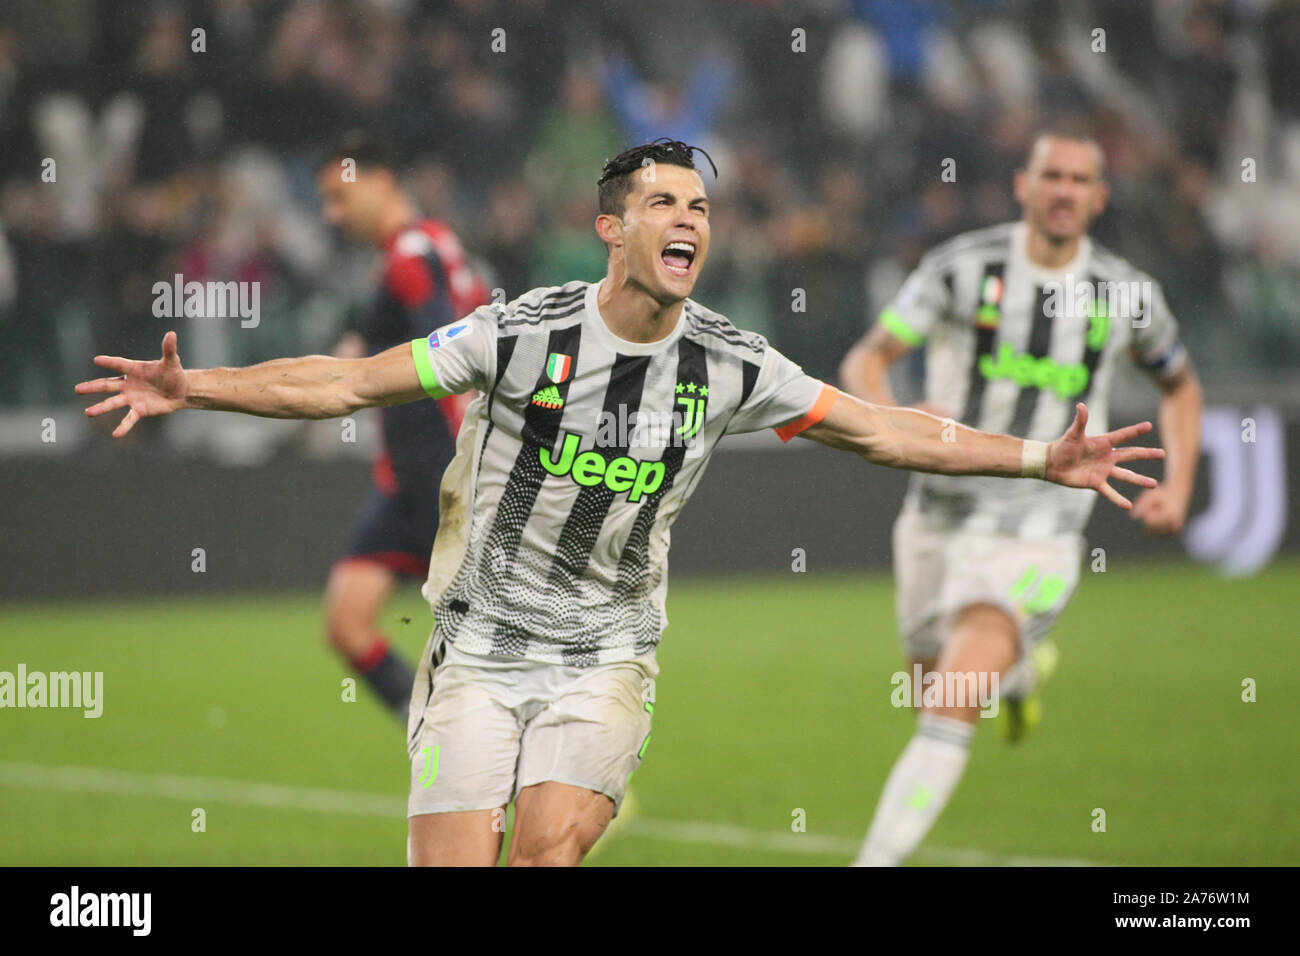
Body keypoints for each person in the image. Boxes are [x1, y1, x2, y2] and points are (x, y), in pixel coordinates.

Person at [76, 139, 1164, 867]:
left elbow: (884, 428)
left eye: (699, 205)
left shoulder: (733, 364)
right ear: (612, 227)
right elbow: (343, 381)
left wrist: (1036, 456)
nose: (687, 218)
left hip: (605, 654)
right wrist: (194, 385)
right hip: (477, 642)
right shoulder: (520, 331)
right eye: (661, 202)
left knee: (546, 847)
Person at [838, 131, 1202, 867]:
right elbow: (869, 357)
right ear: (1022, 186)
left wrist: (1180, 489)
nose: (1064, 190)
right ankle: (1024, 673)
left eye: (1080, 179)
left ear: (1100, 197)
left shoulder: (1126, 293)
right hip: (937, 511)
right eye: (1051, 176)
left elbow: (1181, 385)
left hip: (1044, 526)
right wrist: (885, 424)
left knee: (948, 706)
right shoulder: (962, 270)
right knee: (930, 686)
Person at [316, 131, 489, 719]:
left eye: (339, 197)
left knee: (487, 650)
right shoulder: (430, 246)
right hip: (407, 480)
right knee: (346, 622)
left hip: (441, 473)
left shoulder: (412, 255)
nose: (331, 214)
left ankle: (548, 775)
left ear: (381, 180)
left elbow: (446, 358)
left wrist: (353, 370)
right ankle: (434, 735)